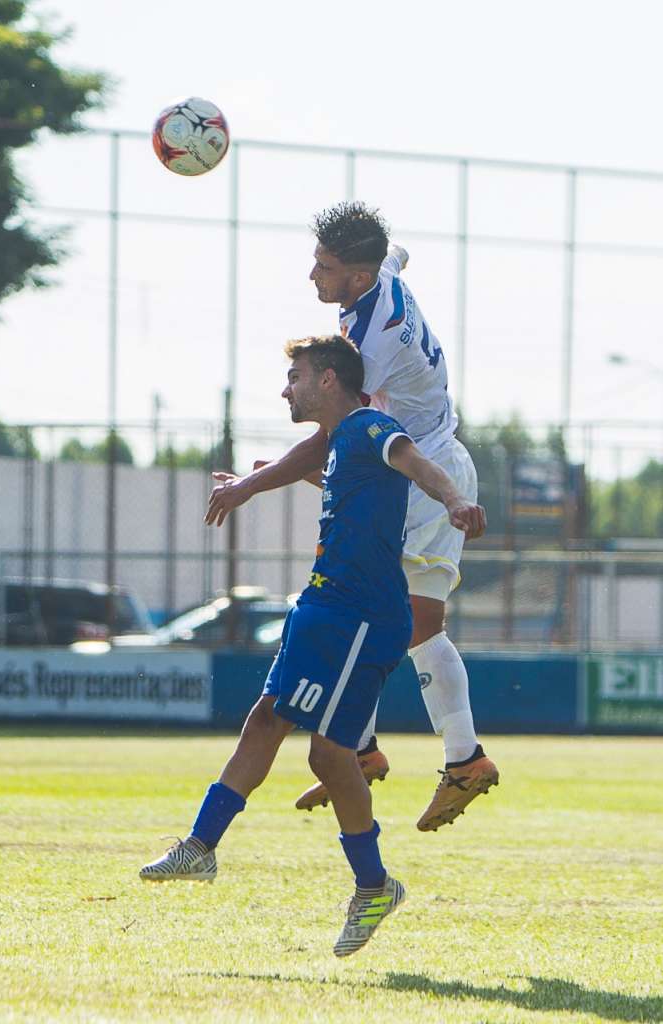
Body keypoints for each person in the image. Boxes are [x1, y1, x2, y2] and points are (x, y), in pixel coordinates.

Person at [141, 335, 486, 957]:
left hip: (359, 616)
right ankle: (202, 847)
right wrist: (250, 485)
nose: (286, 388)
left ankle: (371, 883)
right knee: (276, 723)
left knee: (328, 757)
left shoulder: (370, 425)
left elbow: (415, 462)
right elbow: (309, 466)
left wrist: (457, 498)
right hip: (324, 606)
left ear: (329, 380)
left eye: (295, 375)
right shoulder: (340, 442)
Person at [205, 201, 498, 832]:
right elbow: (395, 256)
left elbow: (334, 432)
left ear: (358, 279)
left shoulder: (370, 341)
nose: (313, 275)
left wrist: (253, 484)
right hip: (390, 468)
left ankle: (464, 759)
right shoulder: (379, 277)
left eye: (325, 266)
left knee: (414, 623)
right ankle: (360, 750)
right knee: (356, 602)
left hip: (421, 469)